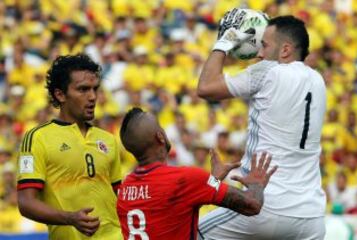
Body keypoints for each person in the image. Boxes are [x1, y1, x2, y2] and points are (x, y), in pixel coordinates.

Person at [197, 13, 327, 239]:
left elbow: (206, 87)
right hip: (311, 215)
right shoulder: (318, 80)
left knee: (191, 233)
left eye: (265, 45)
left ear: (285, 50)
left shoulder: (268, 70)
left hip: (266, 203)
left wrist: (223, 43)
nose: (259, 53)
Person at [117, 107, 277, 240]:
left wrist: (213, 180)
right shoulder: (185, 178)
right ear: (160, 136)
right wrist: (257, 183)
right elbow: (252, 204)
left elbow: (175, 208)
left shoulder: (124, 190)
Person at [16, 54, 123, 239]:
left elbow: (120, 199)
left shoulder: (108, 140)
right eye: (83, 90)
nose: (92, 97)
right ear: (60, 94)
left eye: (95, 89)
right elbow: (26, 203)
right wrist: (69, 218)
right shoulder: (38, 138)